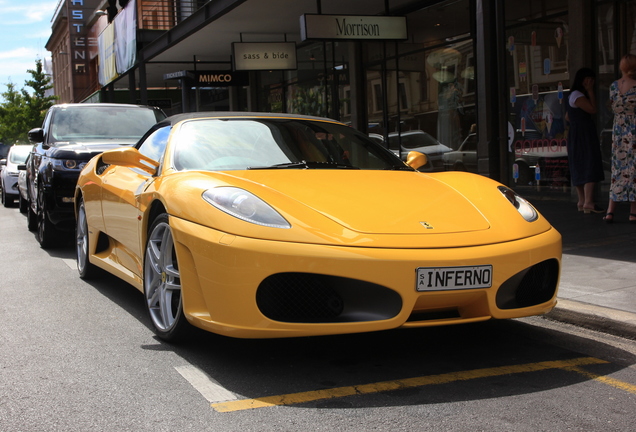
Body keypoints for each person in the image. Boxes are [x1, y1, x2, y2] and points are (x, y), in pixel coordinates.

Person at [566, 68, 605, 213]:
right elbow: (593, 109)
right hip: (584, 133)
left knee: (578, 163)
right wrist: (590, 91)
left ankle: (581, 200)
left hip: (576, 133)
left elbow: (567, 117)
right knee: (589, 162)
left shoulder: (571, 95)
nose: (592, 83)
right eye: (590, 80)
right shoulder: (578, 95)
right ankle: (588, 201)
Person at [604, 54, 636, 223]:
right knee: (633, 168)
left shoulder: (613, 87)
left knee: (618, 169)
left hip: (618, 131)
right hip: (633, 129)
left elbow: (612, 106)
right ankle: (633, 211)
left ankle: (610, 211)